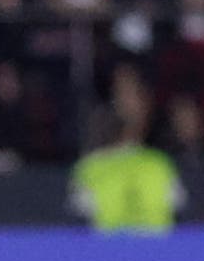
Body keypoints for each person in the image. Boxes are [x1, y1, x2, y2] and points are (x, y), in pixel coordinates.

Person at [67, 65, 179, 233]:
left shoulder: (160, 163)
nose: (126, 103)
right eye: (120, 93)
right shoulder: (89, 168)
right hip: (106, 257)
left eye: (133, 93)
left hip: (156, 256)